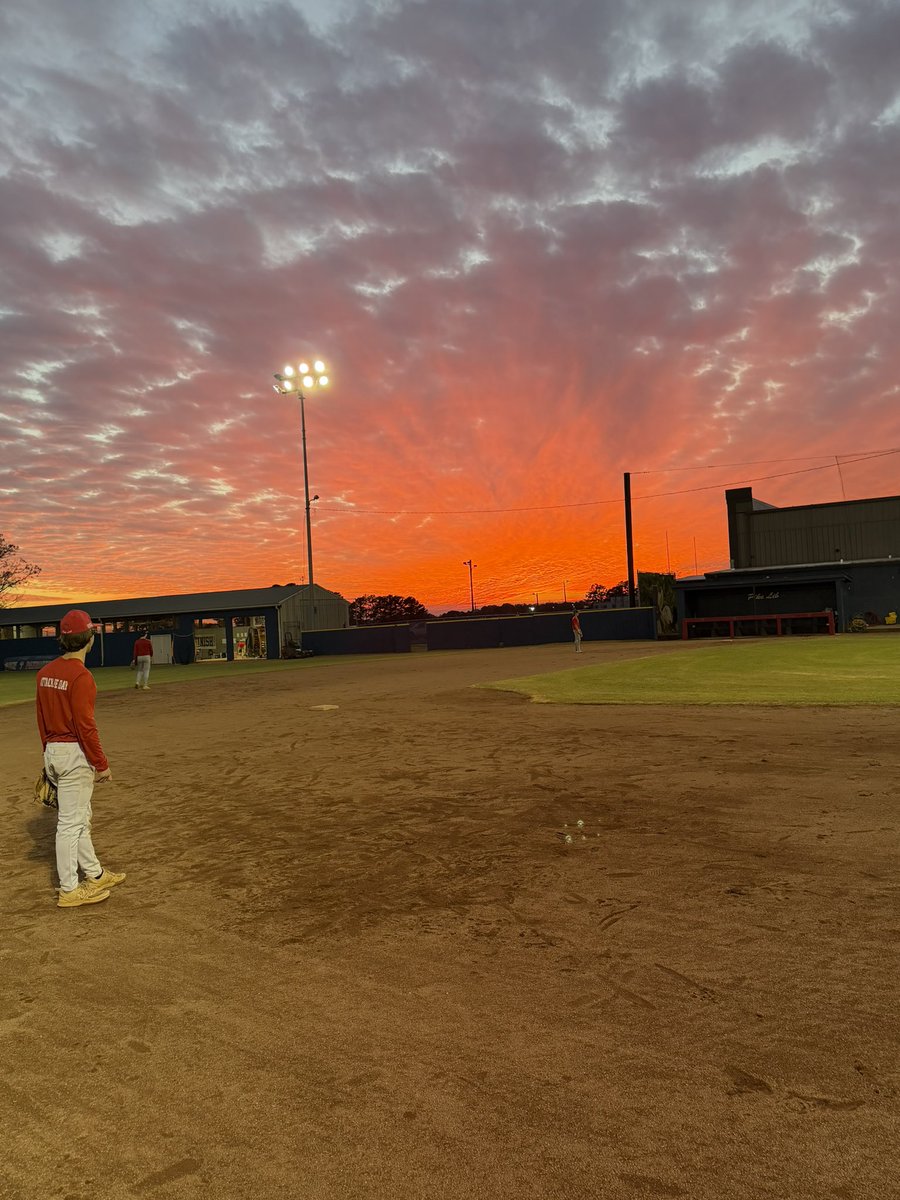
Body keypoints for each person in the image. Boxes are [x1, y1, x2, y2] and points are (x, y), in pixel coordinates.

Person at [36, 609, 125, 909]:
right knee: (70, 824)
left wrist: (48, 756)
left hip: (54, 750)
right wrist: (101, 764)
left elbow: (41, 718)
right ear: (90, 639)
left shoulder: (44, 673)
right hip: (74, 754)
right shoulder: (82, 676)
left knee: (79, 818)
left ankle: (95, 874)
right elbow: (86, 726)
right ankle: (69, 889)